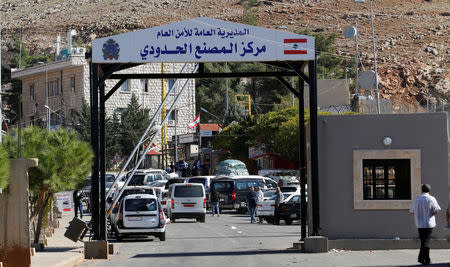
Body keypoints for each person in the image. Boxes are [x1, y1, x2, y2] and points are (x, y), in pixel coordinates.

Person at [410, 184, 441, 265]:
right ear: (429, 190)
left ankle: (426, 259)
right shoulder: (432, 198)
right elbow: (437, 210)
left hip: (419, 223)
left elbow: (412, 211)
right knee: (426, 242)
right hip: (429, 223)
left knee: (423, 241)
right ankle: (421, 258)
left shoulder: (416, 199)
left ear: (422, 190)